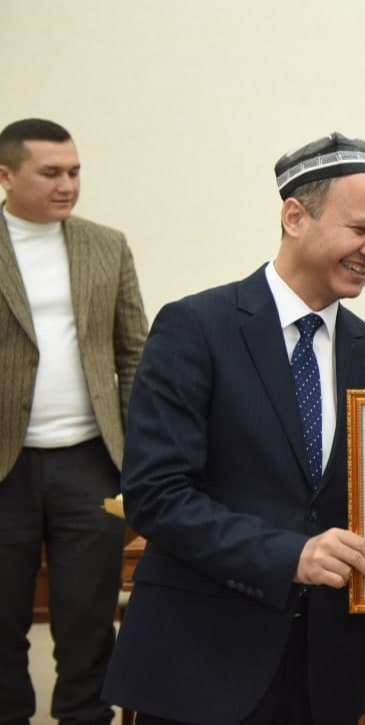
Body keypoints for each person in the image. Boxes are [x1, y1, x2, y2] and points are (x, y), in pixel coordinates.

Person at [102, 133, 365, 725]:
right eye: (361, 229)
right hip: (200, 666)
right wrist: (292, 555)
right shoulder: (196, 328)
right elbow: (156, 496)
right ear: (295, 217)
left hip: (324, 676)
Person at [0, 118, 148, 725]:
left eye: (75, 172)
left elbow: (134, 352)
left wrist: (139, 455)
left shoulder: (106, 245)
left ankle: (85, 716)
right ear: (7, 176)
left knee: (88, 620)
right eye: (51, 173)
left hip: (91, 464)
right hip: (5, 467)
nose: (67, 185)